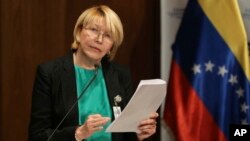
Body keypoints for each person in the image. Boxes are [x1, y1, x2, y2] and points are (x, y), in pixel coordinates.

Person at [28, 5, 158, 141]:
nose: (99, 40)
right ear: (79, 32)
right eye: (94, 30)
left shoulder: (120, 75)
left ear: (111, 46)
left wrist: (137, 134)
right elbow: (37, 136)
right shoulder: (50, 73)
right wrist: (78, 133)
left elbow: (123, 135)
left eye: (108, 35)